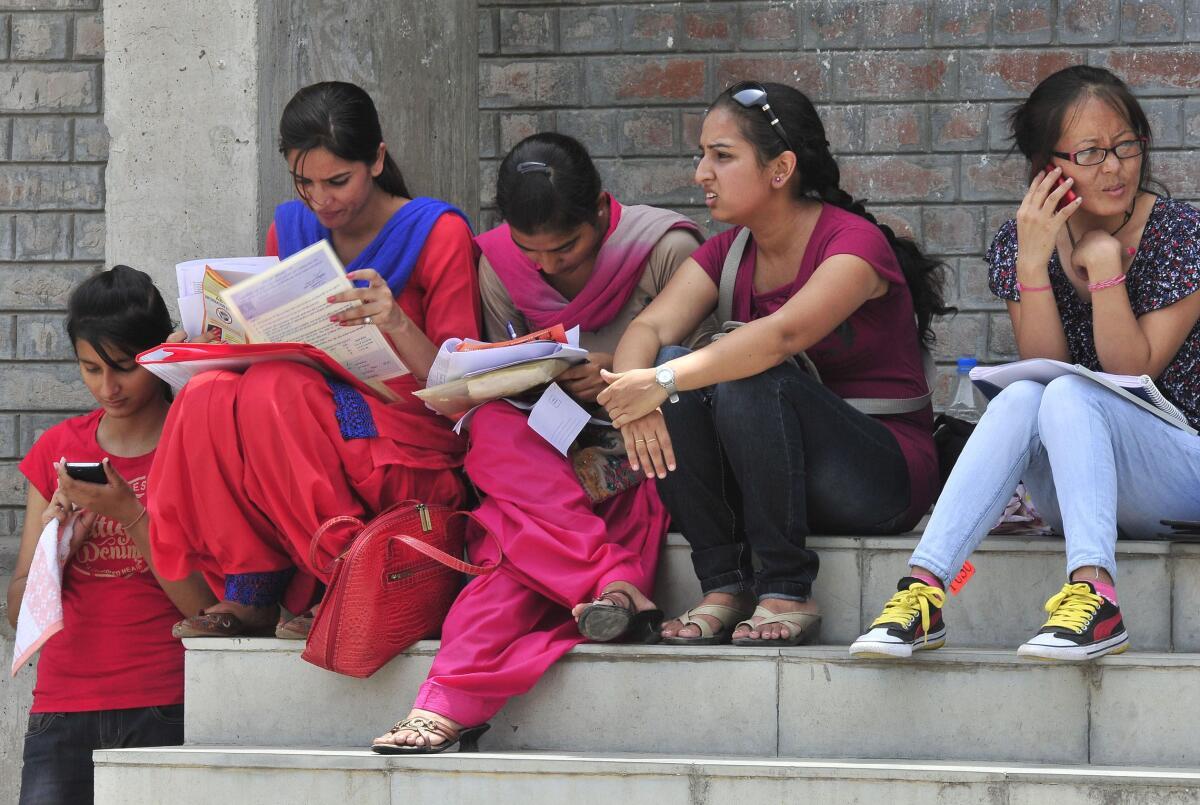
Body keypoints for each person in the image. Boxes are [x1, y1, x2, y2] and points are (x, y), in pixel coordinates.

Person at [371, 132, 710, 753]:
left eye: (567, 247)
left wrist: (612, 367)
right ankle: (609, 582)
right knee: (492, 425)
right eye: (533, 252)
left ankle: (446, 702)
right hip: (541, 444)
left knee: (508, 550)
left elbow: (704, 364)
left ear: (603, 211)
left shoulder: (666, 249)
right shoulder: (497, 261)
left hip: (640, 443)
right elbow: (482, 377)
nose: (548, 266)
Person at [851, 66, 1200, 662]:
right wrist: (1036, 265)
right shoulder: (1021, 242)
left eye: (1126, 145)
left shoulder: (1182, 234)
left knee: (1067, 395)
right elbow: (1047, 365)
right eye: (1090, 153)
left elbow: (1132, 369)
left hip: (1180, 468)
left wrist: (1106, 266)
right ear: (1049, 166)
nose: (1114, 167)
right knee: (1022, 396)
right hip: (1085, 484)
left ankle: (1096, 596)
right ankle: (925, 591)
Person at [598, 81, 948, 648]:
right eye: (702, 155)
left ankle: (786, 590)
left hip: (877, 479)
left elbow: (781, 336)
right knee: (672, 363)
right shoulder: (727, 252)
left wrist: (658, 382)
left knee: (739, 370)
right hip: (772, 476)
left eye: (722, 156)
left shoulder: (854, 246)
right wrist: (632, 399)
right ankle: (723, 587)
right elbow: (648, 329)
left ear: (780, 168)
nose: (700, 174)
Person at [148, 81, 480, 637]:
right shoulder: (293, 226)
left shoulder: (436, 232)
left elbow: (461, 389)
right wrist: (217, 332)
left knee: (277, 386)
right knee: (207, 393)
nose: (322, 200)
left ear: (376, 159)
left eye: (337, 181)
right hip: (300, 420)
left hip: (406, 434)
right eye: (305, 183)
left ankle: (347, 571)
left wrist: (396, 321)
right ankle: (251, 587)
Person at [7, 267, 216, 805]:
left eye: (123, 368)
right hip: (61, 705)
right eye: (90, 368)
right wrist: (59, 543)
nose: (108, 387)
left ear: (157, 355)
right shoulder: (58, 448)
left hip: (164, 700)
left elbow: (207, 610)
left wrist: (130, 513)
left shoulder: (192, 441)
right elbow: (17, 614)